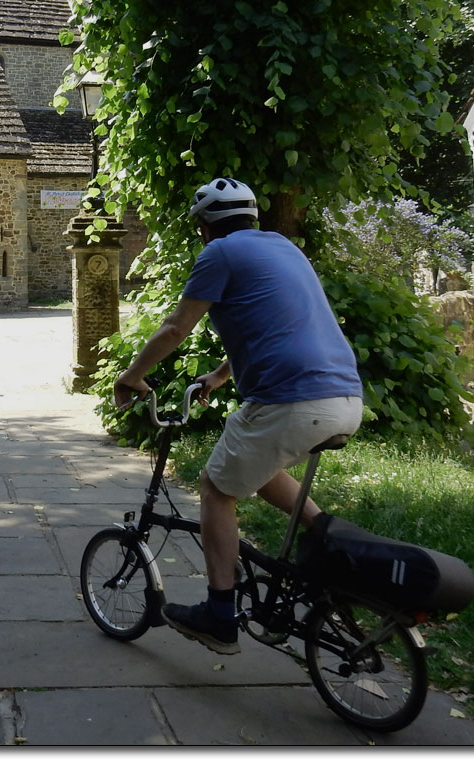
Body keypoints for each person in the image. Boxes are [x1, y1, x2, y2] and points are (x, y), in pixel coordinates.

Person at [114, 177, 363, 655]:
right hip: (344, 399)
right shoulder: (286, 250)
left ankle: (219, 613)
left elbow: (174, 329)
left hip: (290, 402)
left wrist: (130, 377)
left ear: (205, 227)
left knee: (214, 487)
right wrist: (219, 376)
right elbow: (281, 326)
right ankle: (331, 542)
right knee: (260, 471)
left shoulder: (219, 254)